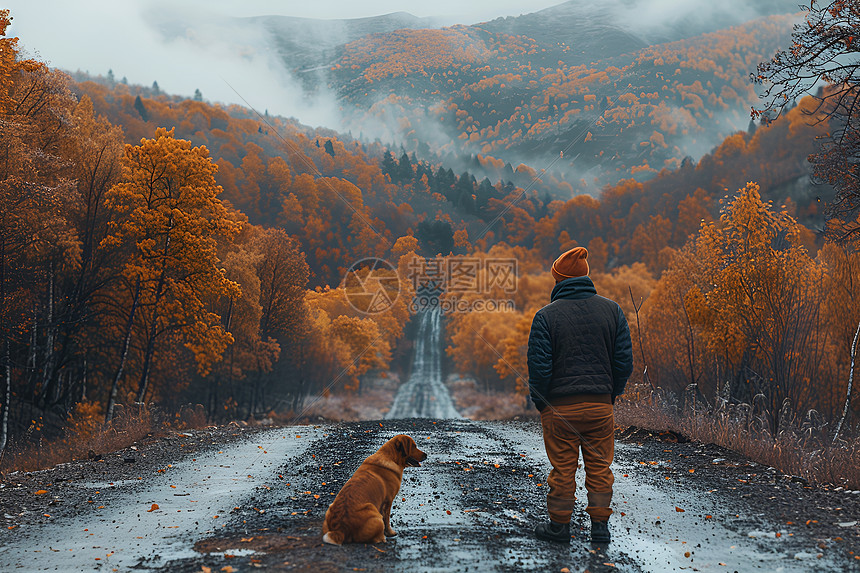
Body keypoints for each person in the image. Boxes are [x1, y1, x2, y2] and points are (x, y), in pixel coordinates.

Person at [527, 246, 633, 544]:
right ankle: (599, 528)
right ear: (585, 277)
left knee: (563, 470)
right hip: (600, 406)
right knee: (600, 468)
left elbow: (539, 367)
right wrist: (609, 395)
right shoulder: (612, 310)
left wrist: (542, 403)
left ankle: (559, 527)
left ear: (558, 280)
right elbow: (624, 361)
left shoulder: (546, 316)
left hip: (559, 409)